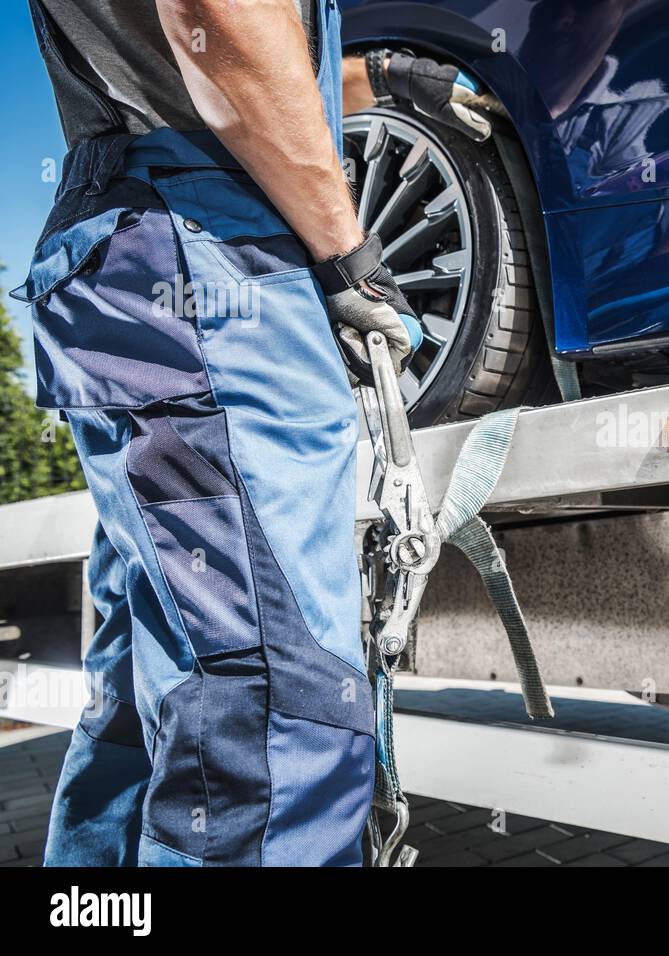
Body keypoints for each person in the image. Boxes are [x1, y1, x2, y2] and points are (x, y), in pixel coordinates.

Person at [16, 0, 488, 866]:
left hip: (126, 237)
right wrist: (347, 252)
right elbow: (217, 19)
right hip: (212, 249)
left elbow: (236, 64)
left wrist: (383, 75)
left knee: (150, 683)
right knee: (276, 704)